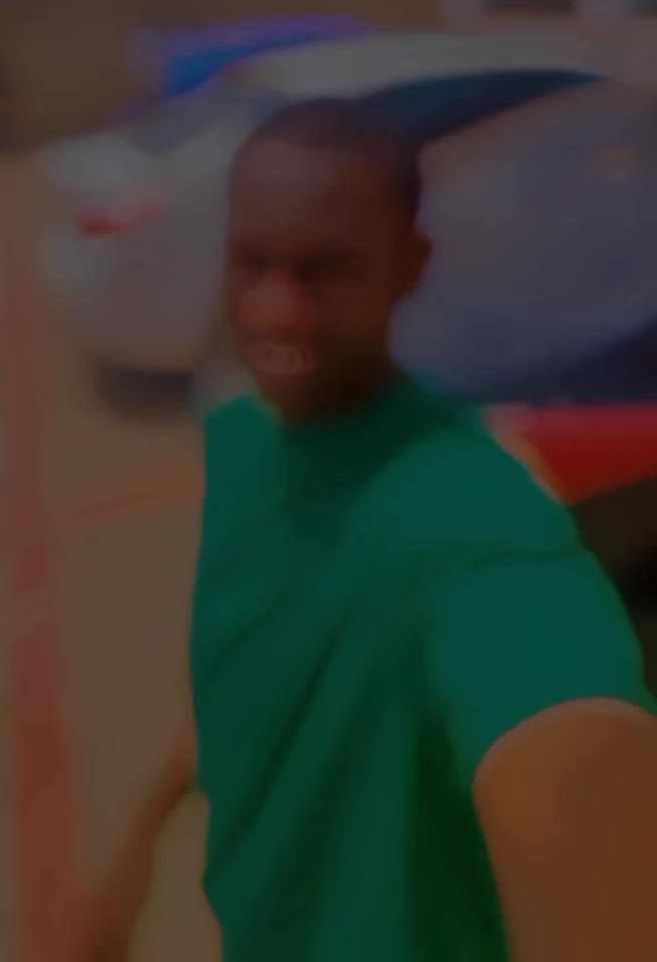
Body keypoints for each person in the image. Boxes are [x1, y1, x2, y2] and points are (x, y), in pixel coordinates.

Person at [81, 95, 657, 962]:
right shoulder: (244, 439)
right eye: (252, 261)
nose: (276, 310)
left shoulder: (473, 517)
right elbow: (245, 674)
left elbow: (563, 722)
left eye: (327, 270)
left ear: (412, 263)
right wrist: (133, 856)